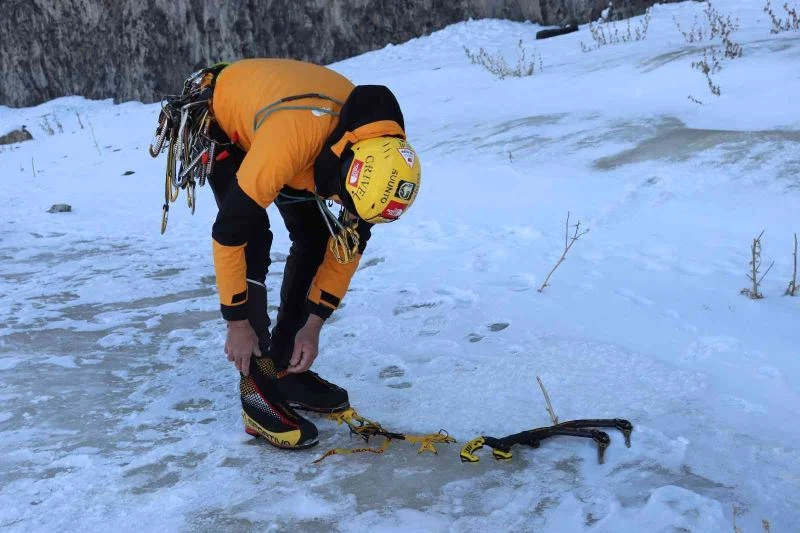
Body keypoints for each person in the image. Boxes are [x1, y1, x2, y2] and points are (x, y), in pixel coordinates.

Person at [159, 58, 421, 450]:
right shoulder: (292, 141)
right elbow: (229, 233)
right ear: (341, 167)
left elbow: (347, 245)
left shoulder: (381, 160)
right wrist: (237, 324)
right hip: (223, 119)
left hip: (296, 128)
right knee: (254, 236)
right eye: (342, 199)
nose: (344, 208)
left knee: (318, 236)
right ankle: (257, 388)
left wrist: (313, 323)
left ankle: (284, 367)